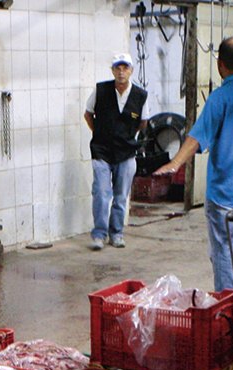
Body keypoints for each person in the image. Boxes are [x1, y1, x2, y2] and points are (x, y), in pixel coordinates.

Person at [153, 36, 233, 292]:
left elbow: (196, 137)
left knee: (224, 255)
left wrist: (174, 163)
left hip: (224, 195)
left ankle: (228, 312)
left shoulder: (221, 97)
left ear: (220, 64)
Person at [83, 52, 148, 250]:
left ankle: (116, 233)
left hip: (126, 152)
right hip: (102, 150)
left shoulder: (140, 95)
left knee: (121, 195)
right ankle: (99, 234)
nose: (121, 72)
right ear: (112, 70)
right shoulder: (101, 90)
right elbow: (88, 114)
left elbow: (143, 123)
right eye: (117, 68)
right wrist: (100, 133)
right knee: (101, 192)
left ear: (131, 71)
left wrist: (126, 137)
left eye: (125, 68)